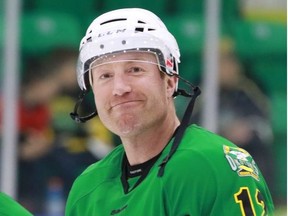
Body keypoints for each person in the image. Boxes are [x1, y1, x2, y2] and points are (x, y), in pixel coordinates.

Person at [65, 8, 274, 215]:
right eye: (105, 76)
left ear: (170, 81)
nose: (119, 88)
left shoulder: (214, 166)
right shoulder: (86, 189)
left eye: (135, 69)